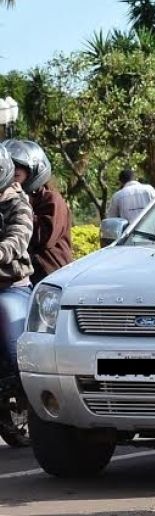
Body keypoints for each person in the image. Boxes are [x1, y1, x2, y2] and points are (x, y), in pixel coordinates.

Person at [3, 140, 72, 283]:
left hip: (48, 275)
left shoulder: (51, 199)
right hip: (13, 276)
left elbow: (43, 238)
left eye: (16, 175)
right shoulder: (6, 198)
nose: (11, 180)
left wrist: (22, 203)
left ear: (33, 173)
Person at [0, 144, 34, 381]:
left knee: (18, 352)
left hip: (10, 286)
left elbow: (19, 237)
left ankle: (28, 399)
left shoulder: (17, 202)